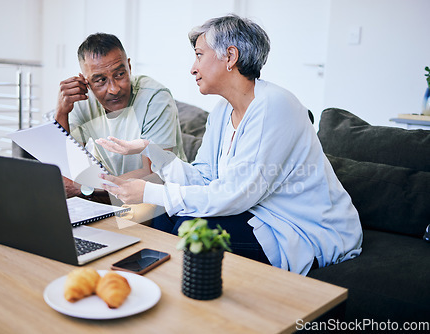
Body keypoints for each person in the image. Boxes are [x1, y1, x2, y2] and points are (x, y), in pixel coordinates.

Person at [95, 15, 363, 275]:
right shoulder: (223, 111)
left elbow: (235, 194)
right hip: (257, 212)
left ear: (230, 57)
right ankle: (132, 286)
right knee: (162, 217)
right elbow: (204, 177)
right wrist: (148, 148)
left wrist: (149, 192)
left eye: (199, 55)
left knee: (190, 231)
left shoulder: (274, 105)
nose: (193, 67)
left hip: (301, 228)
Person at [55, 33, 186, 202]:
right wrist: (61, 113)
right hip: (110, 194)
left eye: (119, 74)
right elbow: (65, 166)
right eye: (101, 80)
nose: (114, 89)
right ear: (85, 82)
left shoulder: (155, 98)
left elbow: (154, 174)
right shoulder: (83, 100)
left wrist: (84, 187)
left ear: (129, 66)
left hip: (161, 196)